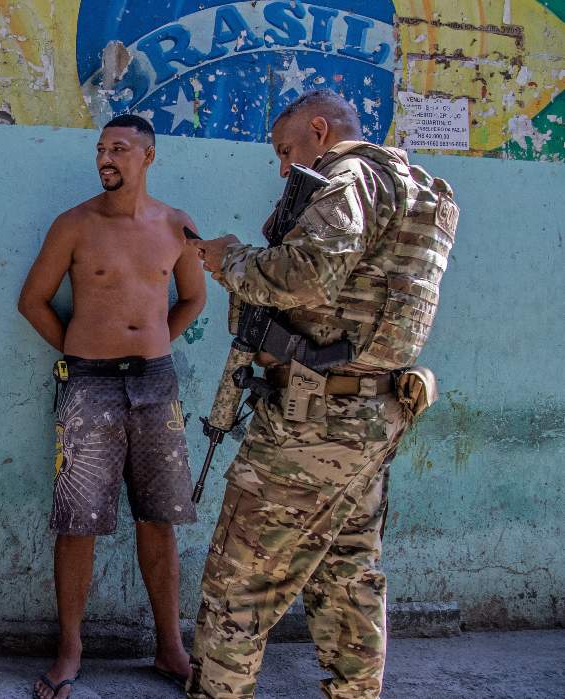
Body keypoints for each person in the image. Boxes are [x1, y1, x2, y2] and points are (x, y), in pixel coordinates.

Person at [187, 89, 459, 699]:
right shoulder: (417, 188)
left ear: (319, 129)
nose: (284, 167)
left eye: (286, 151)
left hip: (310, 424)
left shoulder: (350, 176)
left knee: (239, 588)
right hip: (372, 417)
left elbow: (302, 276)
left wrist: (229, 260)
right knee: (347, 576)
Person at [17, 113, 207, 698]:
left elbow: (194, 298)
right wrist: (83, 351)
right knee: (77, 523)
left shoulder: (176, 226)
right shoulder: (73, 224)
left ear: (148, 156)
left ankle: (170, 644)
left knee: (160, 518)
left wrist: (151, 344)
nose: (106, 157)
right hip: (88, 385)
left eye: (118, 148)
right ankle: (71, 646)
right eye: (101, 149)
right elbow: (34, 301)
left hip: (155, 384)